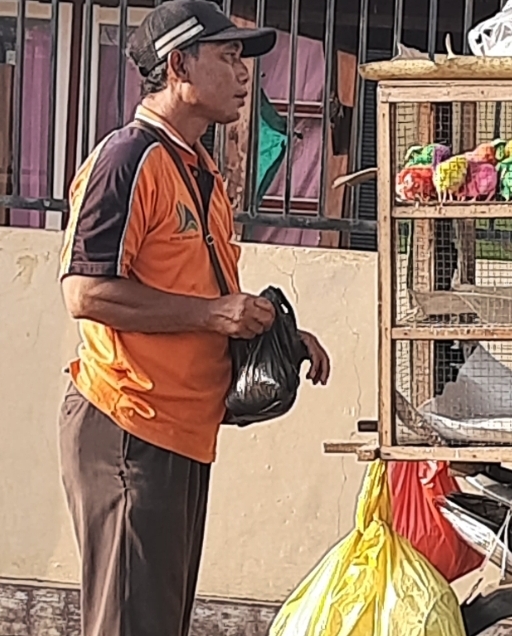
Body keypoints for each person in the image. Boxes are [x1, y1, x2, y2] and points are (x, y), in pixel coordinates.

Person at [56, 1, 330, 634]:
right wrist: (213, 314)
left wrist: (274, 335)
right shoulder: (129, 159)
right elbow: (85, 293)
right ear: (179, 65)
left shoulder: (198, 167)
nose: (244, 74)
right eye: (229, 57)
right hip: (127, 426)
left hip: (178, 429)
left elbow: (198, 292)